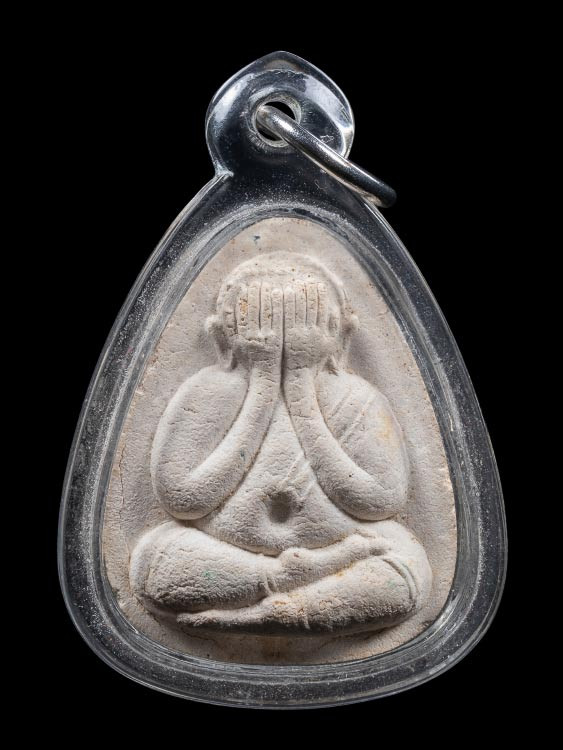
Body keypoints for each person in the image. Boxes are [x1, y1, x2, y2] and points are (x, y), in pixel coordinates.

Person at [130, 251, 432, 635]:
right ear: (223, 336)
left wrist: (301, 390)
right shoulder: (206, 392)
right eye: (262, 320)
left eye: (303, 319)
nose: (283, 336)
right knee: (155, 561)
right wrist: (263, 386)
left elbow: (382, 501)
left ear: (340, 334)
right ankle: (280, 582)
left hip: (339, 550)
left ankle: (287, 612)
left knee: (405, 565)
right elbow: (182, 500)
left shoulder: (358, 397)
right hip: (232, 559)